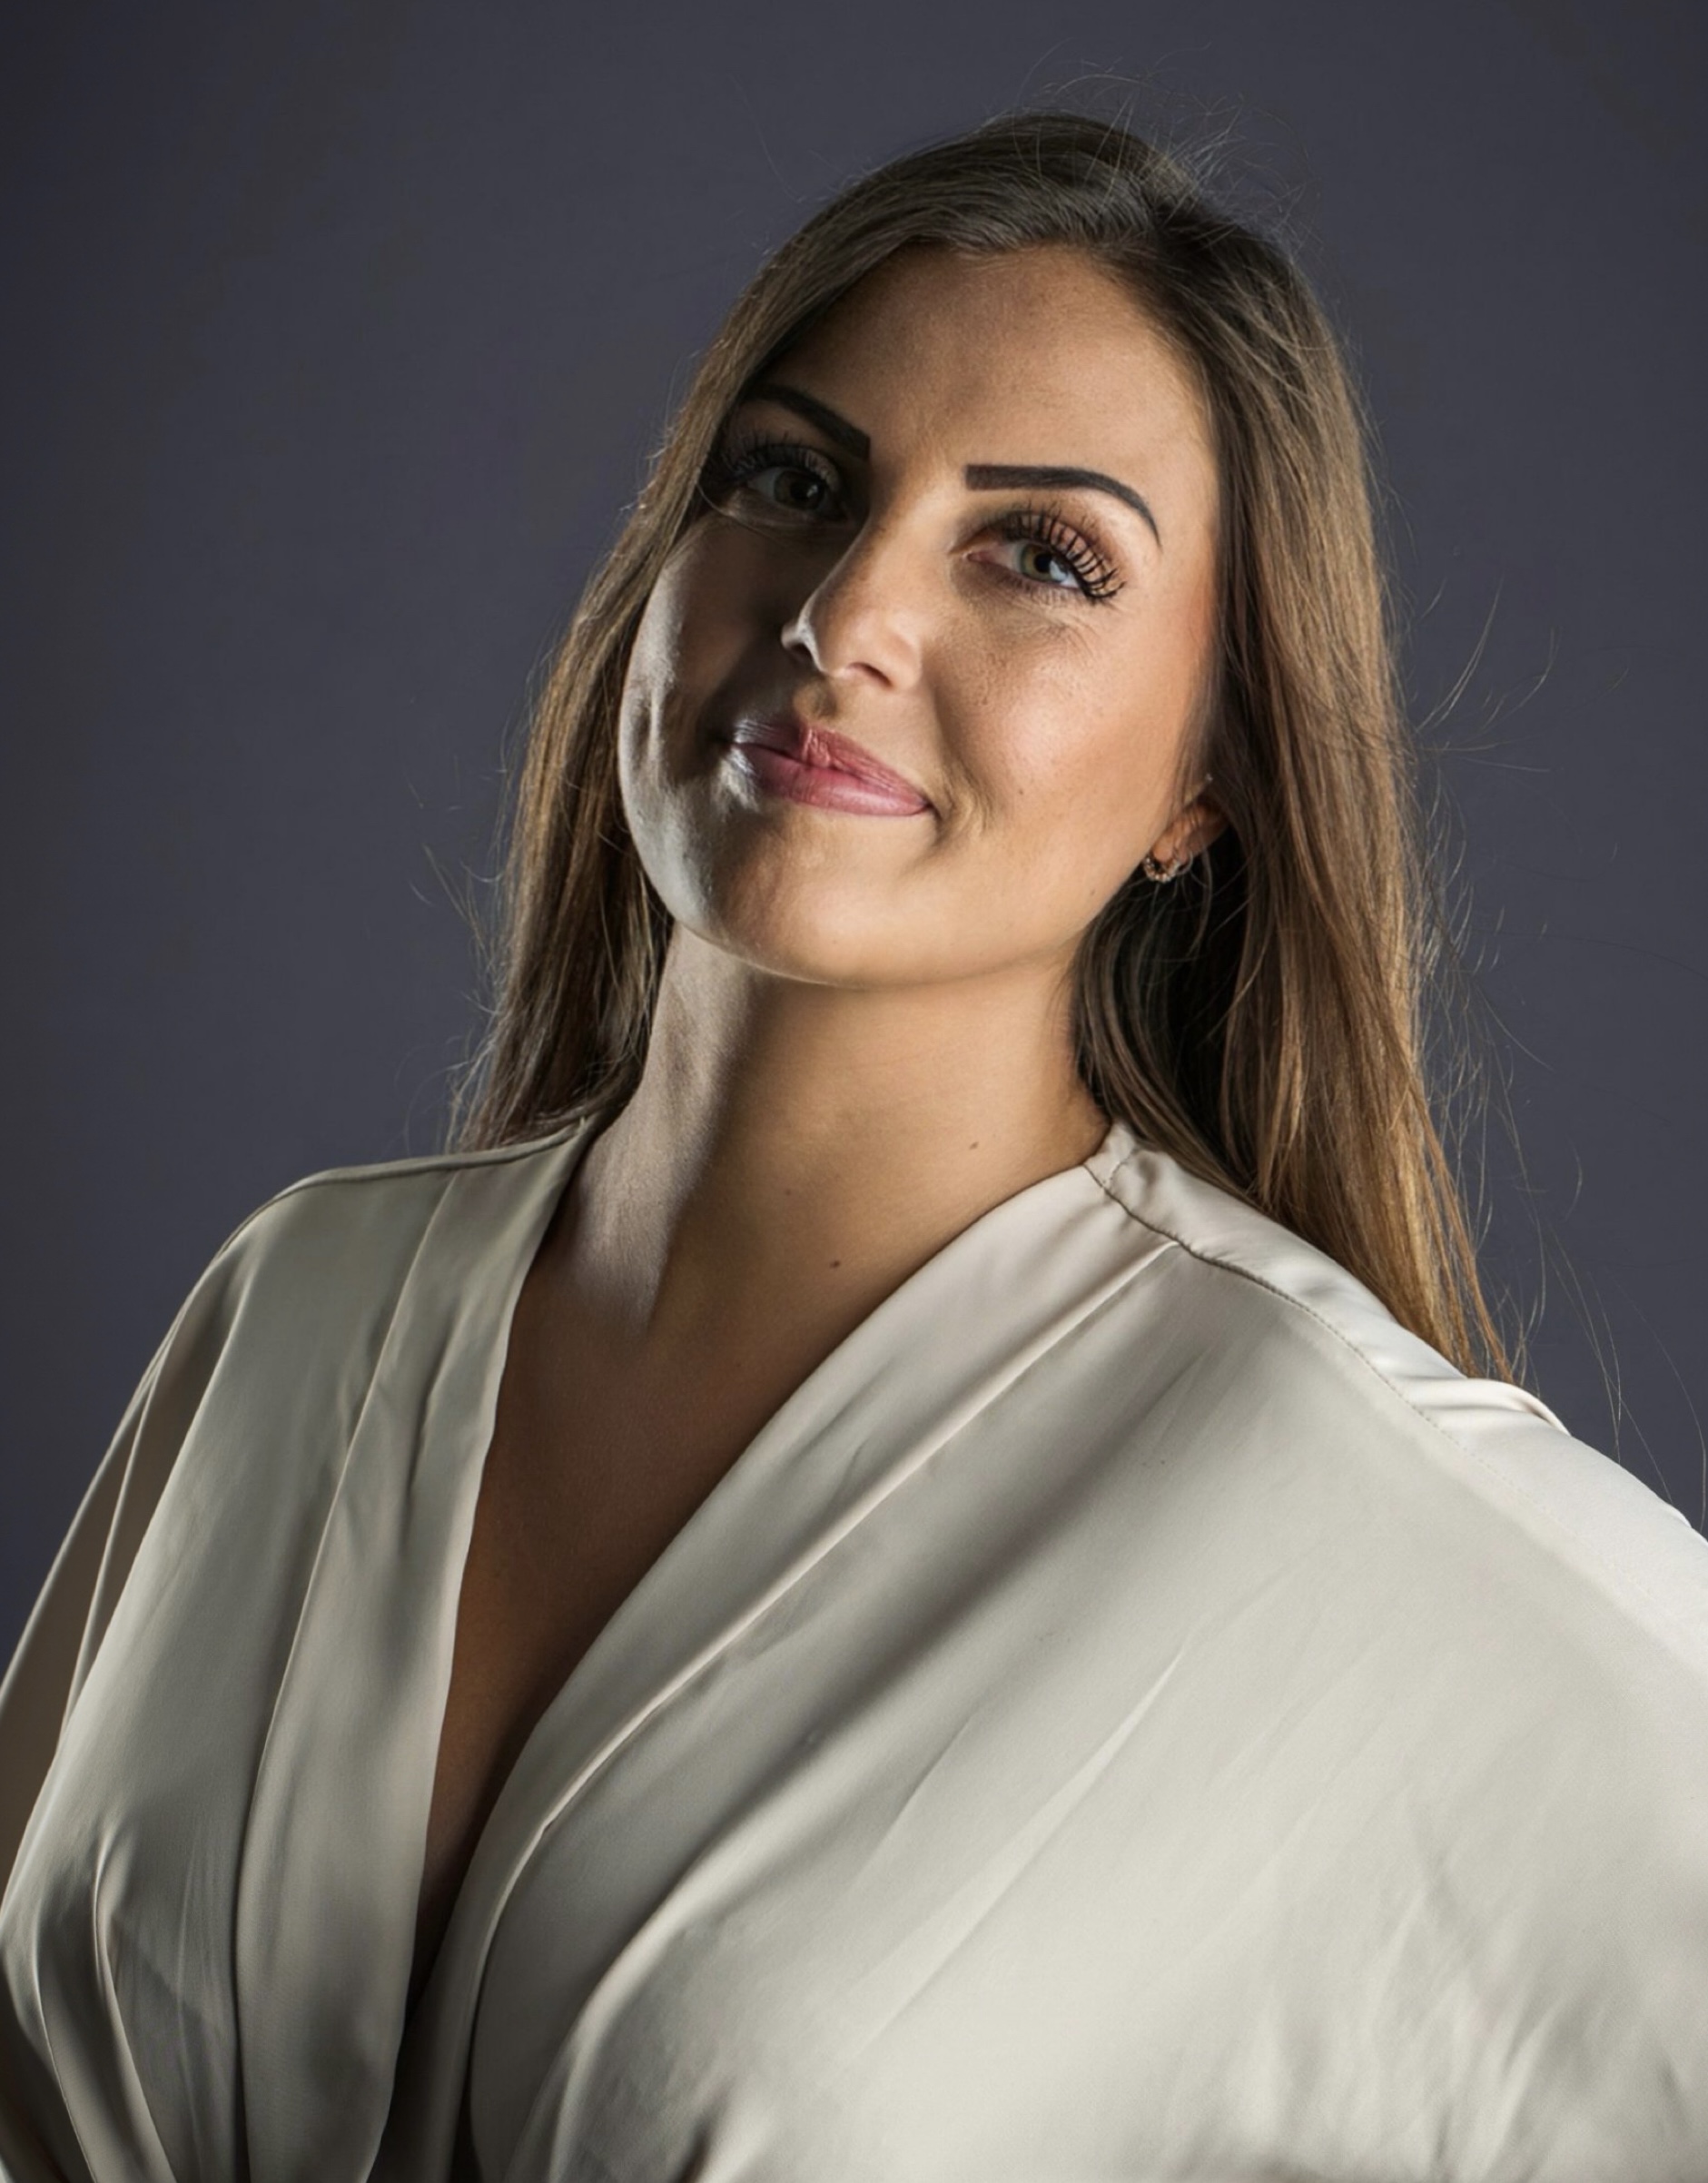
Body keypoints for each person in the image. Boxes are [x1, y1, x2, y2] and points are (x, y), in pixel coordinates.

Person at [1, 106, 1704, 2183]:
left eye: (1041, 555)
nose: (844, 612)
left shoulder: (1343, 1507)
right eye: (791, 483)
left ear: (1207, 775)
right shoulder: (301, 1303)